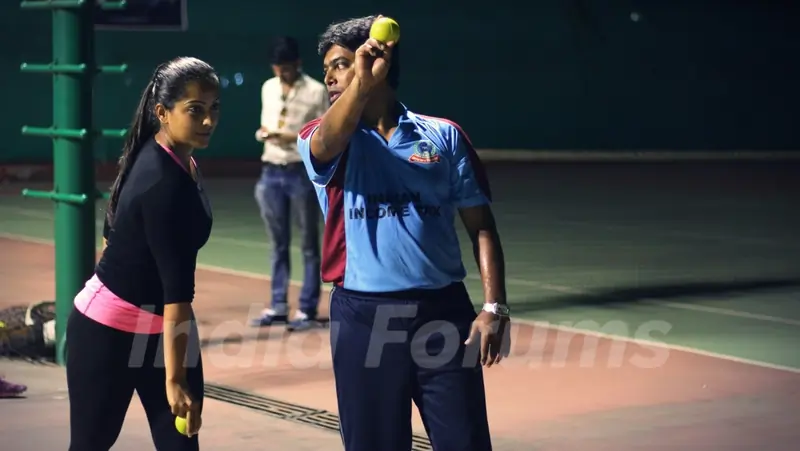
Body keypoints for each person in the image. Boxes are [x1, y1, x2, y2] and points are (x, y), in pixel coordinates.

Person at [297, 15, 512, 451]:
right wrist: (359, 82)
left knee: (466, 441)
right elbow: (325, 143)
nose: (331, 78)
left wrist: (495, 306)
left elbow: (481, 226)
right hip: (364, 317)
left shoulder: (444, 136)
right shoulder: (324, 139)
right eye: (328, 72)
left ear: (377, 61)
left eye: (340, 65)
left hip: (444, 312)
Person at [65, 57, 219, 451]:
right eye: (195, 111)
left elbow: (110, 232)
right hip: (106, 334)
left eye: (213, 109)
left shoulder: (177, 158)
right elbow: (177, 294)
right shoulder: (162, 185)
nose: (207, 121)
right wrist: (175, 379)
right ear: (162, 113)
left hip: (159, 332)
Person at [249, 36, 330, 331]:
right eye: (277, 67)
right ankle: (278, 306)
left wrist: (291, 137)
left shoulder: (316, 91)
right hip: (270, 171)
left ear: (298, 63)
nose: (280, 73)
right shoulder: (268, 88)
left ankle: (307, 309)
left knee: (309, 244)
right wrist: (264, 134)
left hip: (300, 172)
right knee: (277, 244)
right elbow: (264, 123)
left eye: (286, 67)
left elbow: (323, 133)